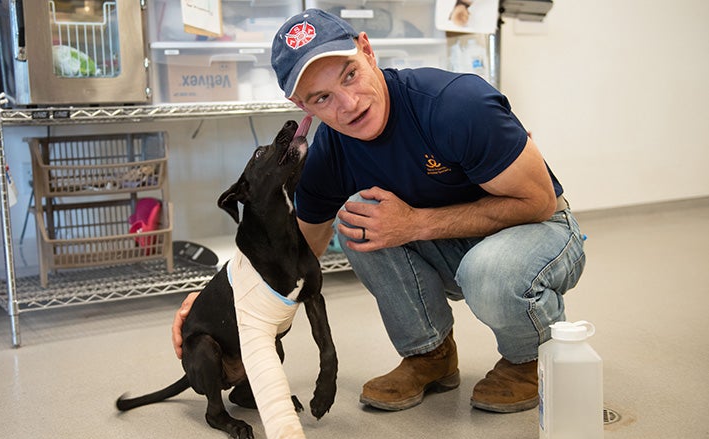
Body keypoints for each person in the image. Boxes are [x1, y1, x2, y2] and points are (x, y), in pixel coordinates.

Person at [172, 8, 586, 414]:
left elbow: (538, 201)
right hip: (450, 242)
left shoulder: (455, 104)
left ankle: (529, 360)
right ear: (300, 104)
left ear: (367, 50)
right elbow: (296, 253)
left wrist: (416, 223)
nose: (348, 104)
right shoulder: (328, 156)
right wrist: (215, 303)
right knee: (358, 216)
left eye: (349, 75)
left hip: (542, 231)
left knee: (489, 271)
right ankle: (430, 355)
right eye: (322, 98)